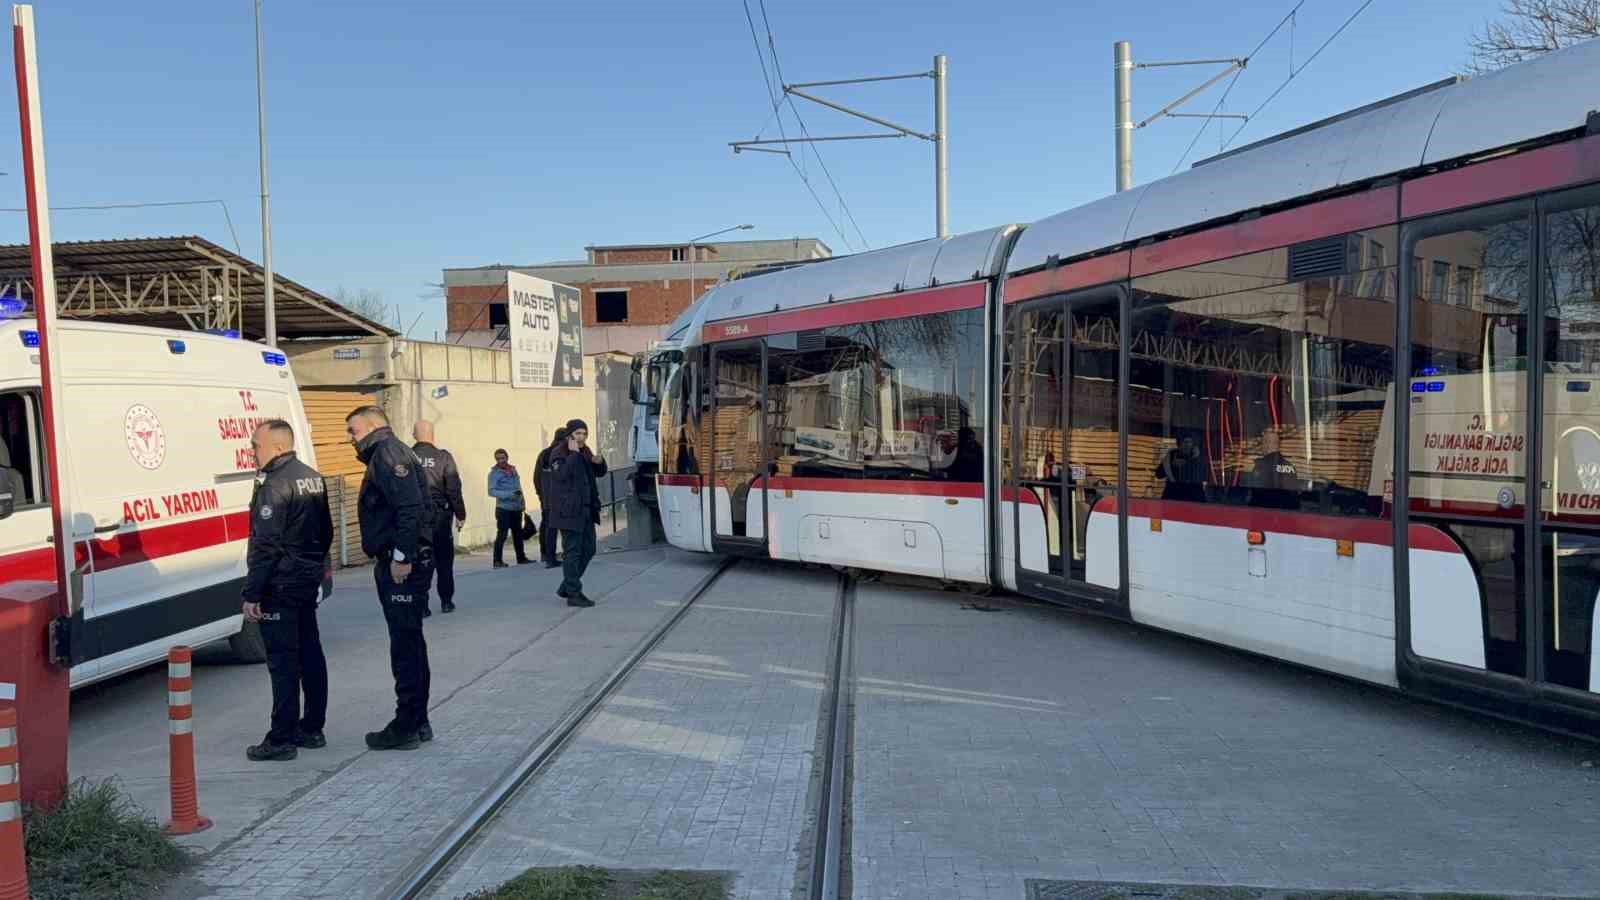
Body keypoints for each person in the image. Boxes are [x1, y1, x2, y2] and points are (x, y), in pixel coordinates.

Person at [241, 420, 334, 762]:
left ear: (278, 447)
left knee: (283, 662)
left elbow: (265, 545)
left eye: (255, 445)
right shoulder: (311, 476)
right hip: (306, 579)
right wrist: (313, 569)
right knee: (310, 654)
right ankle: (312, 728)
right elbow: (326, 532)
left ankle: (281, 737)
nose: (252, 451)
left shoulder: (274, 485)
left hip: (280, 584)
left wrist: (252, 594)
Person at [346, 405, 435, 751]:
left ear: (371, 426)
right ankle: (419, 720)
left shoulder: (387, 454)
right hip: (406, 561)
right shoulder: (393, 451)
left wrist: (401, 557)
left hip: (401, 567)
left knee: (405, 646)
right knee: (412, 643)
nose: (350, 438)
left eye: (353, 431)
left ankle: (406, 726)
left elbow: (410, 508)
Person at [546, 418, 608, 608]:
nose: (582, 437)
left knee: (589, 549)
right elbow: (560, 475)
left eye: (584, 433)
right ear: (570, 434)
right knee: (572, 552)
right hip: (568, 511)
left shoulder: (585, 451)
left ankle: (567, 586)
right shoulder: (560, 453)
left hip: (586, 510)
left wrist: (599, 463)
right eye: (578, 433)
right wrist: (573, 455)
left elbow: (597, 474)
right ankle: (573, 593)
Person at [412, 420, 467, 614]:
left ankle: (422, 605)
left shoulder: (406, 456)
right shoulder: (444, 457)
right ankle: (446, 601)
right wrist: (461, 514)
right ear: (433, 435)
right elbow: (453, 489)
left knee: (420, 560)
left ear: (413, 435)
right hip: (441, 517)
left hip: (415, 518)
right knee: (444, 560)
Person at [488, 448, 531, 568]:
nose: (501, 460)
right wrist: (508, 495)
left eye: (503, 458)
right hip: (503, 509)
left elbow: (519, 488)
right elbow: (491, 491)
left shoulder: (513, 470)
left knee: (517, 533)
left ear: (507, 457)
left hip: (516, 508)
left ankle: (521, 558)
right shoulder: (494, 474)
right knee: (502, 534)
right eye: (498, 459)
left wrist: (522, 503)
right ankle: (497, 561)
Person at [534, 427, 569, 569]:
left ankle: (548, 556)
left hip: (547, 498)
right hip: (562, 497)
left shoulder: (543, 454)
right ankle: (568, 554)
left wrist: (541, 495)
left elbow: (536, 478)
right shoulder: (563, 453)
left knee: (549, 528)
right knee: (566, 526)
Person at [1249, 428, 1302, 510]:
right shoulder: (1290, 467)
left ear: (1267, 444)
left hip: (1266, 516)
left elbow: (1256, 497)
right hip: (1287, 516)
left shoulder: (1261, 466)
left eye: (1262, 443)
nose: (1261, 446)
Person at [1157, 431, 1208, 502]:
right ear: (1179, 444)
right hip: (1173, 497)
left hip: (1194, 499)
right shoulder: (1172, 455)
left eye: (1189, 442)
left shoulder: (1200, 458)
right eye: (1184, 442)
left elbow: (1205, 477)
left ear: (1193, 445)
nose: (1187, 445)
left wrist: (1196, 460)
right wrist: (1172, 465)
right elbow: (1158, 474)